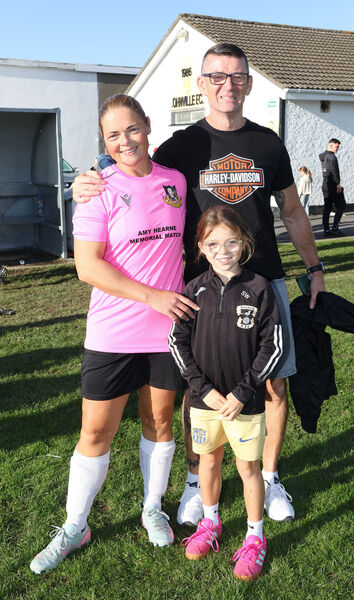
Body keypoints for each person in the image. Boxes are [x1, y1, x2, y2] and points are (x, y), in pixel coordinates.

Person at [72, 43, 326, 526]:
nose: (226, 86)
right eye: (216, 77)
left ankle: (269, 477)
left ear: (249, 83)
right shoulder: (181, 147)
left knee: (272, 387)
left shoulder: (270, 144)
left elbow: (292, 213)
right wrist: (91, 177)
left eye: (236, 77)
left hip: (264, 282)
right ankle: (195, 479)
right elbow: (135, 169)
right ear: (201, 83)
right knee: (198, 389)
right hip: (201, 290)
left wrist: (314, 268)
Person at [29, 94, 199, 575]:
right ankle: (75, 524)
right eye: (113, 135)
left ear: (148, 127)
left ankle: (152, 509)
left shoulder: (176, 181)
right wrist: (151, 297)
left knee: (160, 425)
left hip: (168, 330)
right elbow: (87, 266)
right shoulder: (97, 188)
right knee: (95, 432)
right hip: (114, 330)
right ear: (103, 142)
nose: (126, 141)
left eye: (132, 129)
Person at [169, 206, 283, 581]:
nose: (224, 250)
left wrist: (241, 391)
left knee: (248, 468)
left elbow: (274, 347)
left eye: (232, 241)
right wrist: (203, 388)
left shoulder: (260, 289)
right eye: (214, 243)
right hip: (205, 402)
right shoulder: (194, 289)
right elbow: (177, 341)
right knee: (208, 462)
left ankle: (255, 537)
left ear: (245, 242)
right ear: (200, 246)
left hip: (244, 404)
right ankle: (211, 522)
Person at [319, 138, 346, 236]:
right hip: (332, 185)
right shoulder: (331, 157)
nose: (337, 149)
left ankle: (326, 229)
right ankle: (335, 228)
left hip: (325, 184)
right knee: (341, 206)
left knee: (327, 207)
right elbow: (334, 171)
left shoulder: (324, 156)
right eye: (336, 146)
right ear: (330, 145)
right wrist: (338, 184)